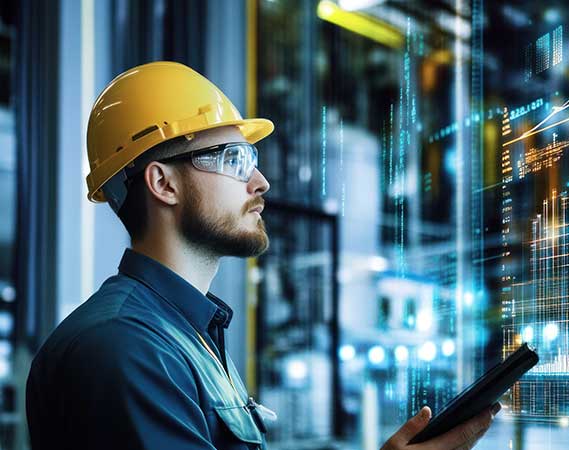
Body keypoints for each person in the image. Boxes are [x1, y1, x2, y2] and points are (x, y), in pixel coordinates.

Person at [25, 61, 500, 449]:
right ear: (162, 183)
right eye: (234, 160)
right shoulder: (127, 349)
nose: (260, 183)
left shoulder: (189, 336)